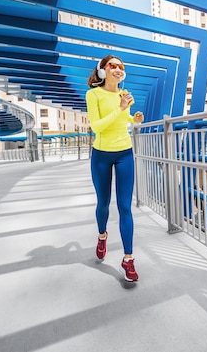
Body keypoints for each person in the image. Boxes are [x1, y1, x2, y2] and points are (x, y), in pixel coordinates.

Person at [85, 54, 144, 282]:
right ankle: (102, 236)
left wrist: (133, 118)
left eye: (121, 67)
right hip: (101, 155)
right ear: (102, 70)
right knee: (103, 203)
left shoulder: (124, 95)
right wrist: (120, 109)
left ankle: (128, 259)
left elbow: (123, 119)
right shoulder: (94, 94)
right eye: (113, 66)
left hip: (124, 153)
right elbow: (97, 127)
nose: (118, 69)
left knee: (125, 207)